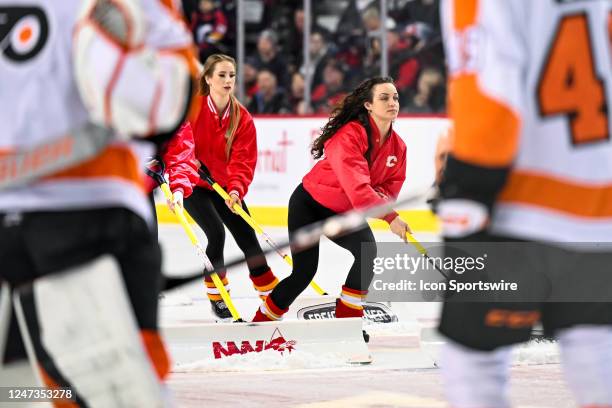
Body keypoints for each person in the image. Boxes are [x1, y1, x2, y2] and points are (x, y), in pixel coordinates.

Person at [0, 0, 197, 406]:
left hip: (44, 221)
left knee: (16, 389)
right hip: (86, 213)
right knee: (114, 393)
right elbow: (168, 102)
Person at [436, 0, 612, 406]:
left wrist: (468, 188)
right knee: (595, 350)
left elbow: (489, 97)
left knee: (474, 359)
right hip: (600, 200)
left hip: (519, 203)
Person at [253, 77, 411, 322]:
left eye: (395, 98)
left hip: (344, 213)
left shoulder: (398, 148)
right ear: (368, 105)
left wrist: (386, 205)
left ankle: (347, 320)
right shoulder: (349, 135)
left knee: (367, 253)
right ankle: (262, 321)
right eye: (384, 98)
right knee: (304, 272)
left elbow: (390, 189)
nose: (392, 103)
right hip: (309, 206)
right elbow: (358, 189)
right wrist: (390, 217)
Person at [165, 54, 279, 320]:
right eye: (222, 75)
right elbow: (177, 147)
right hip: (195, 184)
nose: (228, 80)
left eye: (232, 75)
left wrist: (237, 190)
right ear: (208, 79)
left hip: (225, 187)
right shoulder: (191, 109)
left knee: (248, 237)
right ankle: (218, 296)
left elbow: (243, 160)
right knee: (216, 234)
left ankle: (270, 294)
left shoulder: (242, 118)